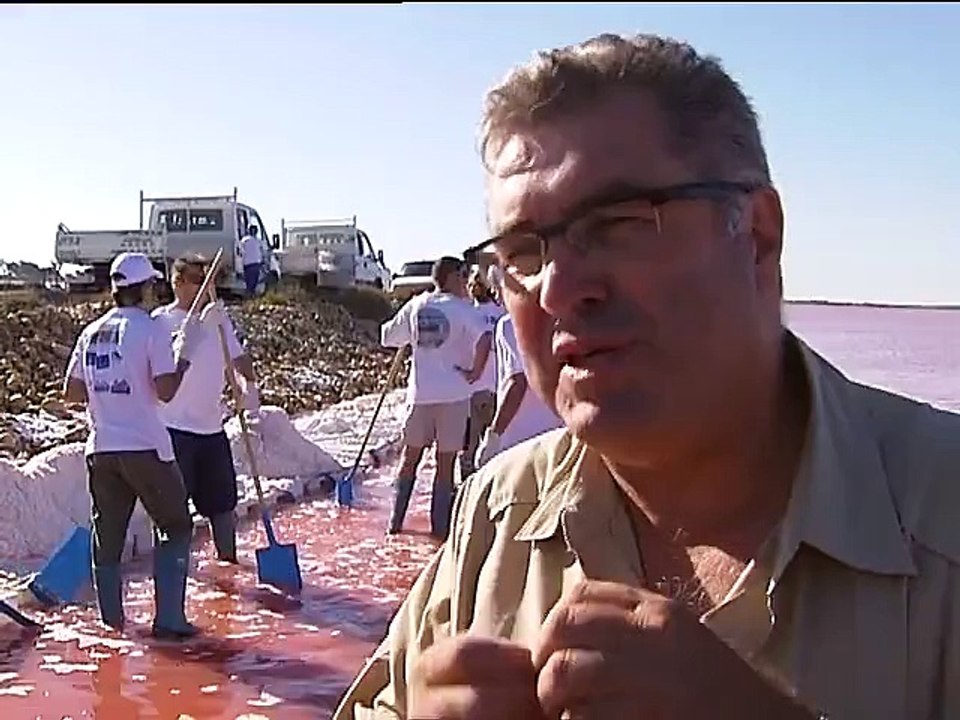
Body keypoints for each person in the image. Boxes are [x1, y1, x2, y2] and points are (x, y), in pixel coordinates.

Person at [334, 33, 960, 719]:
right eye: (522, 251)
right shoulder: (497, 515)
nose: (559, 288)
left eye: (621, 222)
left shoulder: (939, 516)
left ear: (756, 235)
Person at [62, 251, 214, 640]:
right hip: (145, 446)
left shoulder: (91, 331)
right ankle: (169, 621)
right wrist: (184, 357)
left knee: (107, 536)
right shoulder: (150, 329)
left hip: (102, 448)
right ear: (145, 288)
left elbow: (71, 393)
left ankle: (111, 623)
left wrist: (110, 389)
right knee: (176, 525)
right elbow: (165, 391)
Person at [151, 254, 261, 564]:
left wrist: (249, 387)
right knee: (172, 509)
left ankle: (228, 569)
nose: (207, 288)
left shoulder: (217, 319)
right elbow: (164, 369)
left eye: (211, 282)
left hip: (212, 429)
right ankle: (173, 573)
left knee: (223, 505)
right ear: (178, 283)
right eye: (200, 281)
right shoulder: (160, 322)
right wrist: (192, 330)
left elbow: (237, 359)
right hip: (174, 430)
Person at [380, 256, 492, 539]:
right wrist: (474, 373)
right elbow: (485, 339)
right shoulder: (462, 308)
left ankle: (395, 524)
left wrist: (415, 336)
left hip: (421, 394)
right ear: (454, 277)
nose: (467, 281)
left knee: (410, 458)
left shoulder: (417, 304)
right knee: (446, 464)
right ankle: (438, 531)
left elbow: (387, 337)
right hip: (454, 394)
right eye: (463, 276)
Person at [475, 312, 561, 468]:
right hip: (555, 429)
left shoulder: (511, 323)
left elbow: (518, 382)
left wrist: (494, 434)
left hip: (520, 434)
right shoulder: (556, 318)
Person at [459, 267, 505, 477]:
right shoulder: (502, 315)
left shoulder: (467, 314)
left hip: (471, 389)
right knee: (495, 445)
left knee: (468, 448)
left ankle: (465, 490)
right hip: (498, 387)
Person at [239, 225, 263, 297]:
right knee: (254, 283)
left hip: (247, 264)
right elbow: (262, 252)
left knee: (249, 282)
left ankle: (249, 297)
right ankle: (251, 297)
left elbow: (240, 252)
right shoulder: (258, 241)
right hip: (256, 264)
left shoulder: (244, 240)